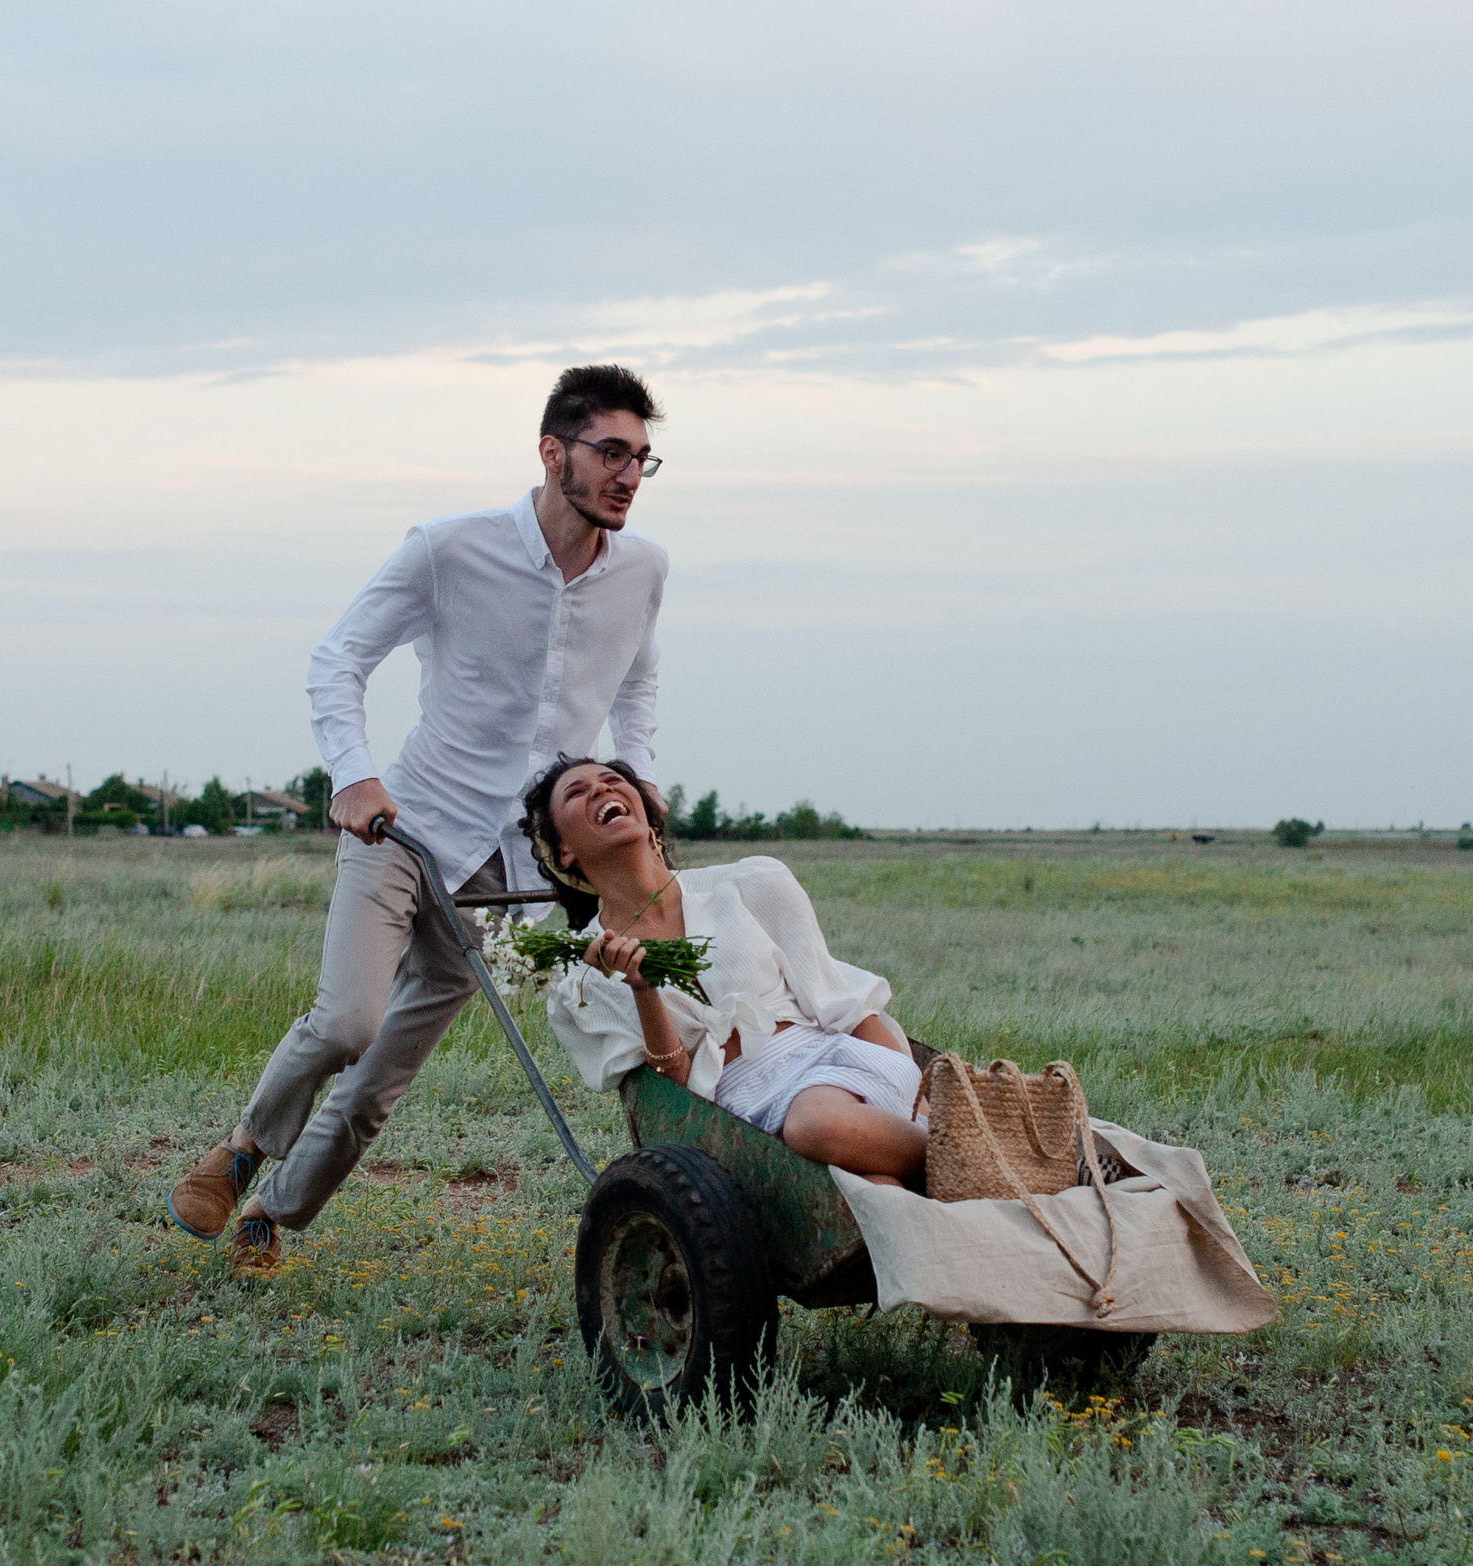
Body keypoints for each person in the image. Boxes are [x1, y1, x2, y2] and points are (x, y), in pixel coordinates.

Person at [166, 365, 672, 1273]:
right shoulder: (449, 549)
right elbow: (339, 658)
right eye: (609, 452)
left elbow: (638, 681)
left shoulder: (644, 570)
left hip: (510, 864)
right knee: (347, 1023)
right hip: (405, 828)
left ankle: (271, 1213)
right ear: (551, 451)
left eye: (641, 457)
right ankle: (242, 1146)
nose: (627, 474)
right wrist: (355, 776)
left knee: (379, 1084)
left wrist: (637, 783)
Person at [528, 755, 928, 1187]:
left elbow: (839, 999)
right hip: (738, 1119)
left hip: (828, 1064)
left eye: (611, 779)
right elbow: (672, 1088)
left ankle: (963, 1155)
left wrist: (917, 1101)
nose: (601, 789)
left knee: (817, 1126)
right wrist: (643, 988)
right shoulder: (585, 979)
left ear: (646, 814)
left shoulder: (749, 883)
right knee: (876, 1194)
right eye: (576, 792)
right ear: (565, 851)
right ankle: (944, 1169)